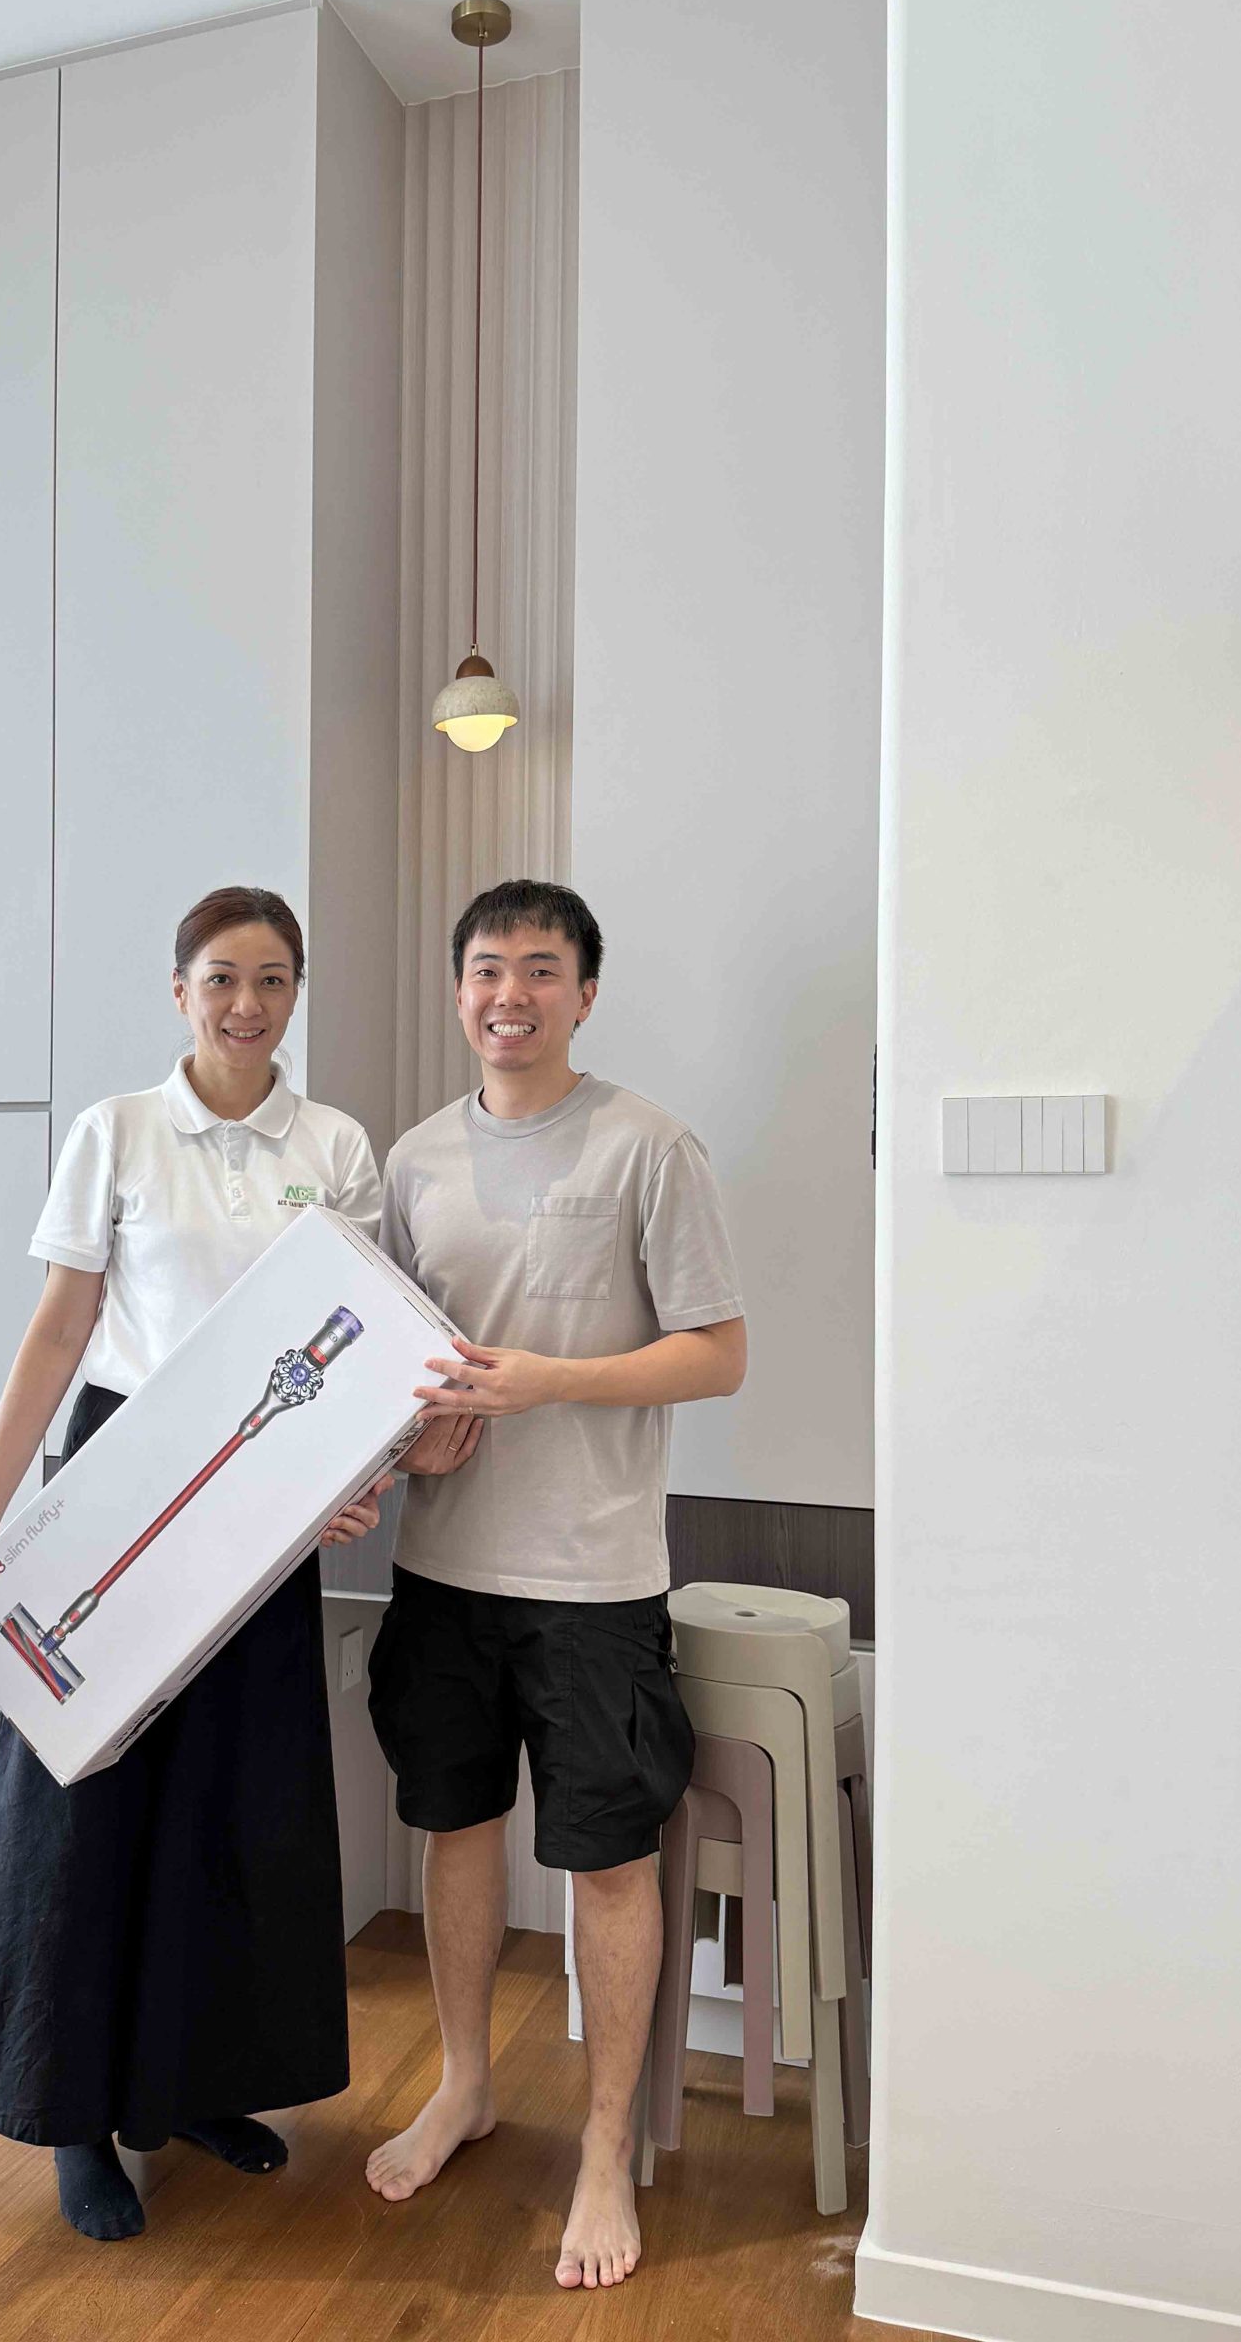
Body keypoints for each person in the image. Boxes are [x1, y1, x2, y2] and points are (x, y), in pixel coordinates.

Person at [0, 886, 396, 2243]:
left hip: (266, 1488)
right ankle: (75, 2117)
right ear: (180, 990)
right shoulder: (119, 1132)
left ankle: (198, 2086)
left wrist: (341, 1482)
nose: (247, 1004)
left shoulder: (333, 1145)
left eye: (272, 979)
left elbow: (358, 1337)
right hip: (121, 1477)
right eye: (221, 978)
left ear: (296, 992)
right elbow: (61, 1326)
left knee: (239, 1796)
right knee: (86, 1796)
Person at [364, 878, 748, 2293]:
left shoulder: (649, 1146)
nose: (508, 994)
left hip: (594, 1580)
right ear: (458, 989)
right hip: (440, 1566)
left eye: (539, 969)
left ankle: (602, 2149)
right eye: (486, 968)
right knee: (455, 1831)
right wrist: (412, 1440)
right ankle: (465, 2085)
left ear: (584, 993)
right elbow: (384, 1361)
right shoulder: (414, 1161)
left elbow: (717, 1353)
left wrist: (550, 1383)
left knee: (608, 1861)